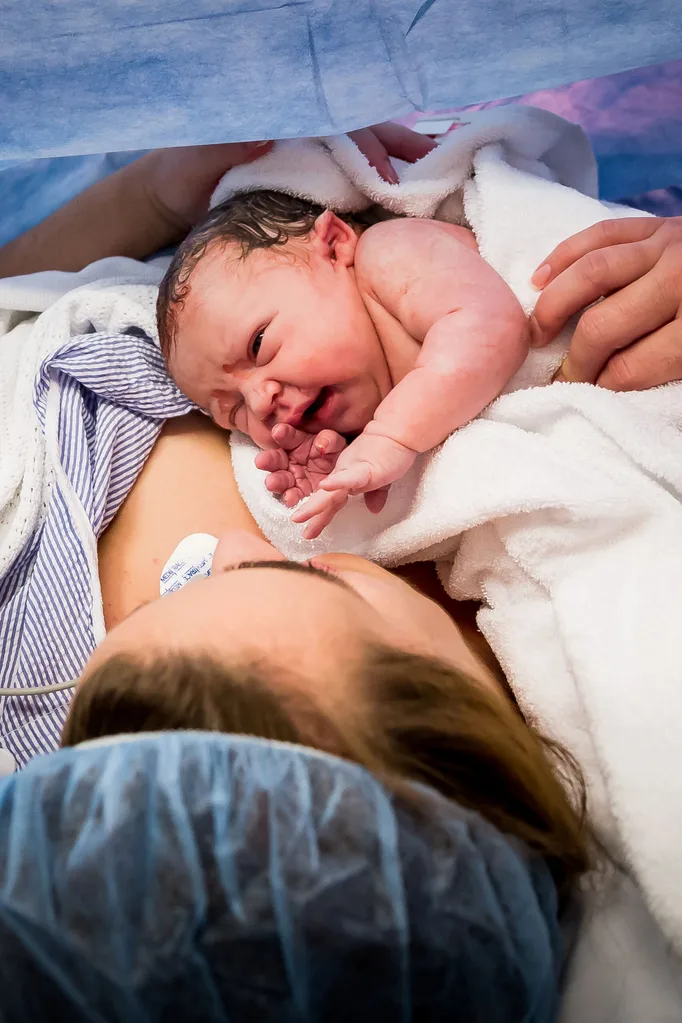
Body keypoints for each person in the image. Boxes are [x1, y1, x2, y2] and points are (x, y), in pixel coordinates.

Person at [157, 189, 528, 538]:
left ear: (334, 246)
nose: (258, 401)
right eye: (234, 411)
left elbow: (491, 324)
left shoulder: (390, 253)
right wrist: (339, 475)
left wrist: (391, 436)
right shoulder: (364, 422)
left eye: (259, 345)